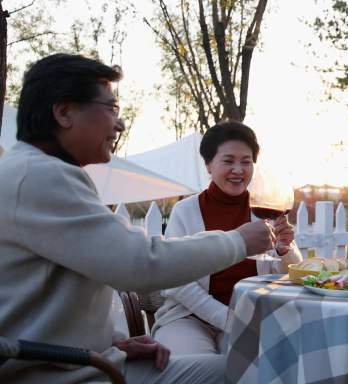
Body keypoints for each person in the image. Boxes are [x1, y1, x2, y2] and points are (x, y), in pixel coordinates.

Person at [0, 53, 277, 384]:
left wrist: (114, 341)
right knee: (257, 374)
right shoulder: (40, 177)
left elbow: (39, 297)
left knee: (246, 369)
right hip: (68, 374)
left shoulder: (33, 172)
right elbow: (140, 263)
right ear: (64, 112)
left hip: (88, 359)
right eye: (111, 109)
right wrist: (238, 240)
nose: (120, 124)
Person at [152, 121, 302, 355]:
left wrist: (284, 249)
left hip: (251, 318)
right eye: (228, 161)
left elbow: (293, 273)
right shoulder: (186, 210)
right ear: (209, 164)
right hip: (188, 319)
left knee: (260, 364)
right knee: (196, 368)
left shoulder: (264, 209)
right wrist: (228, 319)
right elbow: (178, 282)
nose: (238, 170)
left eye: (246, 162)